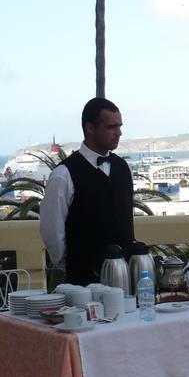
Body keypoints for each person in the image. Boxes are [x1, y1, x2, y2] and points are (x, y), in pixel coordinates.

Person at [40, 97, 134, 285]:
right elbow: (52, 230)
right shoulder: (63, 174)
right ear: (90, 128)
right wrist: (75, 265)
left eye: (120, 126)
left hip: (125, 277)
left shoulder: (124, 168)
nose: (119, 133)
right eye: (111, 127)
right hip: (84, 282)